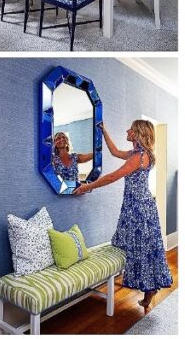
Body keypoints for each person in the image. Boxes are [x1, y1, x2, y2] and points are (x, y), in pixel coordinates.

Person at [73, 120, 172, 309]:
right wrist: (104, 130)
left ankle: (149, 289)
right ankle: (150, 288)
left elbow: (113, 177)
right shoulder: (139, 153)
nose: (127, 130)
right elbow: (115, 152)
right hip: (140, 206)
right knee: (145, 248)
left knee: (141, 249)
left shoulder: (138, 156)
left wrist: (87, 186)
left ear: (137, 133)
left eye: (131, 129)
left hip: (138, 209)